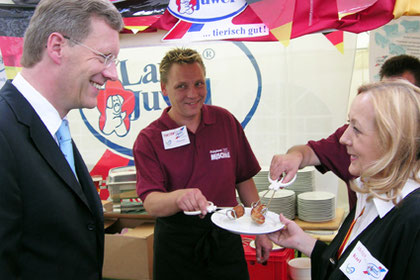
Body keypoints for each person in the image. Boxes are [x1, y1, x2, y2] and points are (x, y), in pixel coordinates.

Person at [0, 0, 123, 279]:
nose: (112, 73)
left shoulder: (54, 130)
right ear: (57, 47)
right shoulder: (4, 132)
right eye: (104, 56)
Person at [133, 48, 272, 280]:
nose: (193, 93)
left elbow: (244, 179)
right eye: (181, 86)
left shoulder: (225, 122)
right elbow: (151, 202)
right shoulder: (150, 139)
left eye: (199, 84)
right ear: (164, 89)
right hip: (177, 249)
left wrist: (261, 229)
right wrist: (178, 198)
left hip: (225, 239)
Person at [268, 80, 420, 280]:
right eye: (349, 124)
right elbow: (349, 267)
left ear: (391, 140)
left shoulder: (413, 219)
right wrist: (303, 242)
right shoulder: (369, 195)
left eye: (356, 129)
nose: (344, 138)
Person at [269, 54, 420, 210]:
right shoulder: (352, 141)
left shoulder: (411, 208)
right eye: (382, 92)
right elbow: (310, 151)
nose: (345, 139)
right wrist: (296, 156)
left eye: (399, 97)